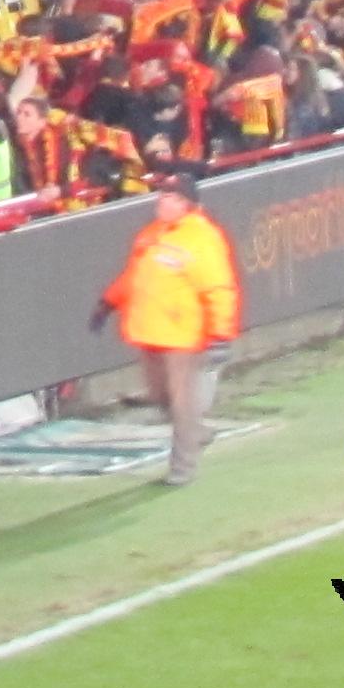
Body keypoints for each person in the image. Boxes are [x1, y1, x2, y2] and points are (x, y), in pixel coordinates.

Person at [100, 173, 242, 485]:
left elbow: (219, 287)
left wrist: (220, 334)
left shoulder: (203, 238)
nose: (162, 201)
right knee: (159, 395)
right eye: (162, 195)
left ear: (186, 204)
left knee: (182, 403)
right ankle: (195, 431)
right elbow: (134, 277)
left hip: (183, 334)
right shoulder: (150, 234)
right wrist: (108, 302)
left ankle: (183, 467)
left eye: (171, 197)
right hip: (150, 332)